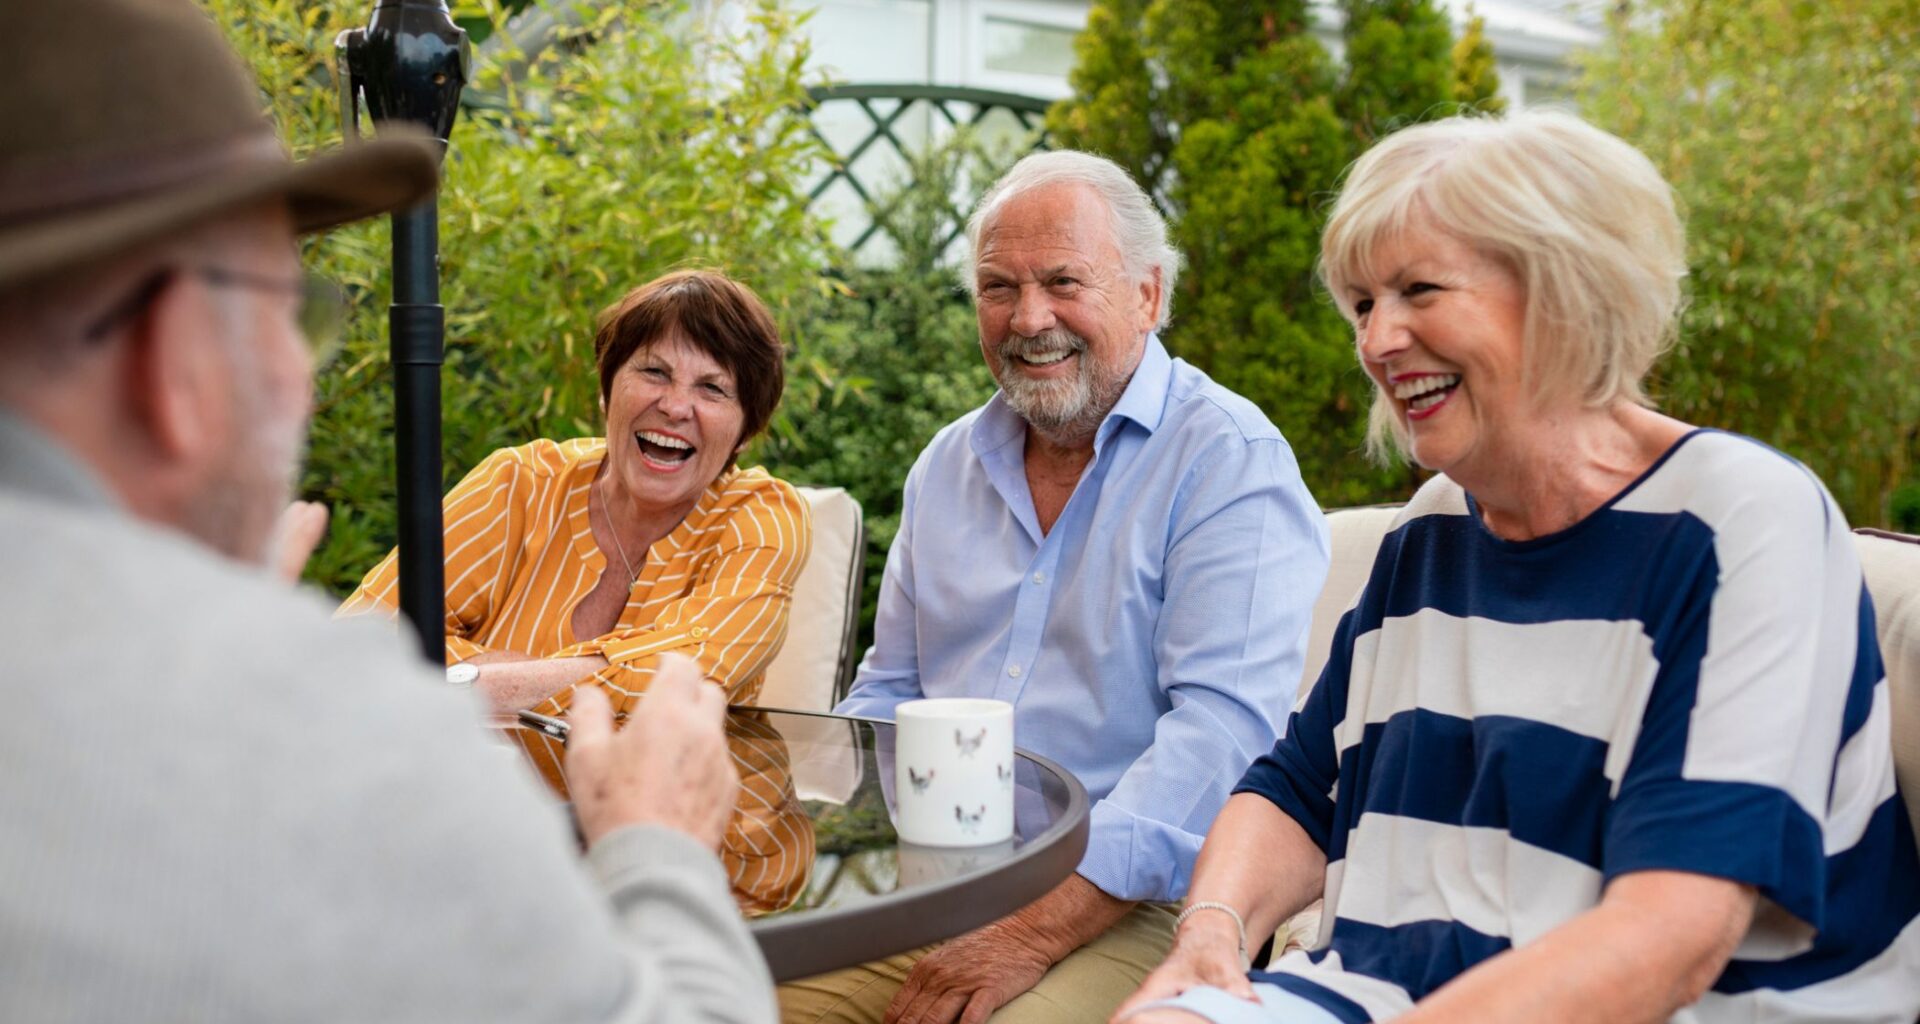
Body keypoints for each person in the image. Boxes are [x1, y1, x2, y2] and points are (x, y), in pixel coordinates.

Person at [0, 1, 777, 1020]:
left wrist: (441, 672)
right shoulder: (332, 738)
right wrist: (661, 847)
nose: (302, 374)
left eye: (713, 387)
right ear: (170, 356)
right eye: (289, 310)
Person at [1117, 111, 1920, 1024]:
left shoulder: (1737, 524)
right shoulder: (1432, 532)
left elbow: (1671, 937)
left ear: (1567, 293)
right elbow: (1299, 794)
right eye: (1364, 303)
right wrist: (1211, 933)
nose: (1377, 341)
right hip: (1384, 993)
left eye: (1420, 289)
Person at [779, 151, 1331, 1023]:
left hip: (1141, 900)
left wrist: (1033, 929)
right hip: (939, 880)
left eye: (1064, 281)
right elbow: (891, 694)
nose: (1029, 318)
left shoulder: (1229, 461)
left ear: (1149, 295)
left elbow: (1224, 736)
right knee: (711, 992)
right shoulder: (946, 466)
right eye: (998, 287)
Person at [339, 268, 814, 913]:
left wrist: (465, 684)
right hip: (487, 863)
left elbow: (682, 681)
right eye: (653, 372)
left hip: (698, 880)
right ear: (606, 389)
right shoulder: (520, 484)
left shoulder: (761, 516)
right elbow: (360, 643)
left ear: (745, 429)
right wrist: (564, 683)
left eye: (713, 388)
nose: (677, 406)